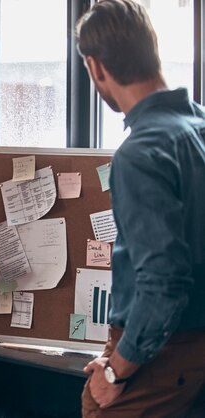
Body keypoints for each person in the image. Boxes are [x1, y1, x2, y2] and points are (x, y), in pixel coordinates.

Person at [75, 1, 205, 416]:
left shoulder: (140, 152)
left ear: (96, 68)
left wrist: (116, 372)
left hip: (160, 354)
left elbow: (164, 280)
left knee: (96, 404)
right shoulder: (199, 128)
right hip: (191, 348)